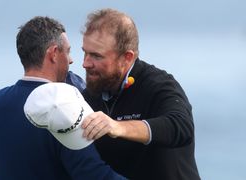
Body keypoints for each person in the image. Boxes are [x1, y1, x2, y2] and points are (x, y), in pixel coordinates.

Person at [0, 16, 125, 180]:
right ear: (54, 53)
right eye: (68, 51)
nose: (71, 60)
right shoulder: (64, 109)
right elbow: (94, 174)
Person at [80, 8, 200, 180]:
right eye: (84, 52)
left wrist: (118, 127)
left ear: (127, 57)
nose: (85, 63)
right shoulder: (89, 97)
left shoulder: (158, 85)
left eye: (96, 56)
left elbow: (181, 127)